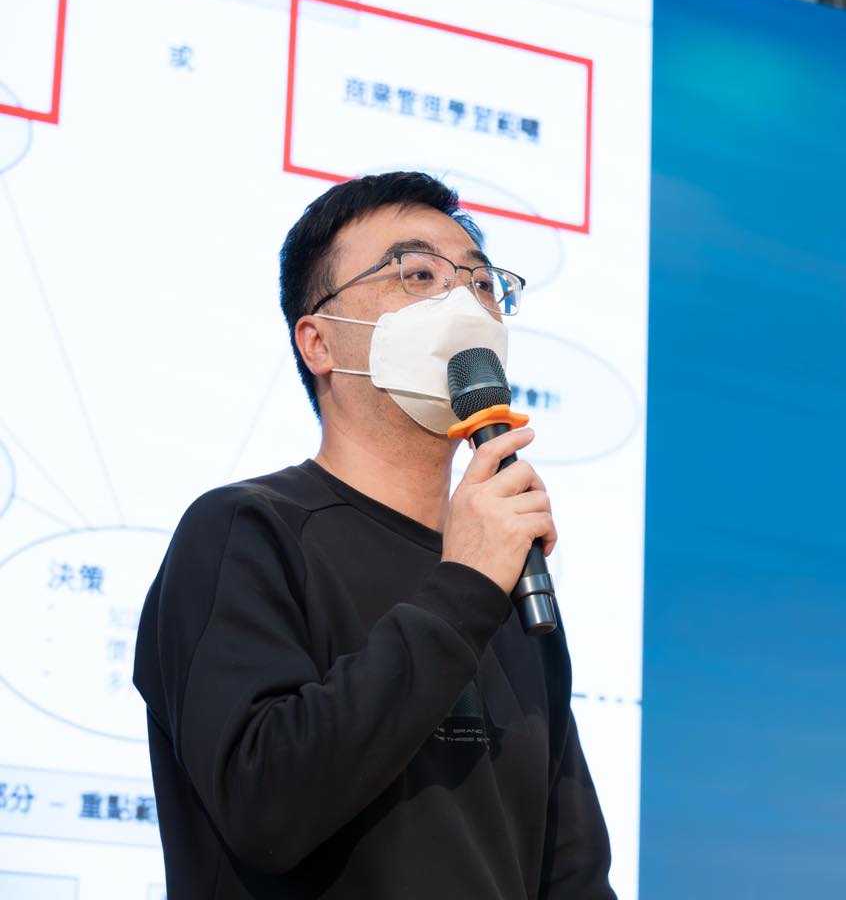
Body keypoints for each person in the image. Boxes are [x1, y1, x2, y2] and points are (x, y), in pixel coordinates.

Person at [132, 172, 614, 898]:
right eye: (418, 274)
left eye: (483, 285)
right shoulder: (246, 531)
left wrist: (480, 579)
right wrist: (465, 589)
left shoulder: (512, 583)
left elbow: (571, 872)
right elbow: (264, 803)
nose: (464, 304)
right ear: (319, 342)